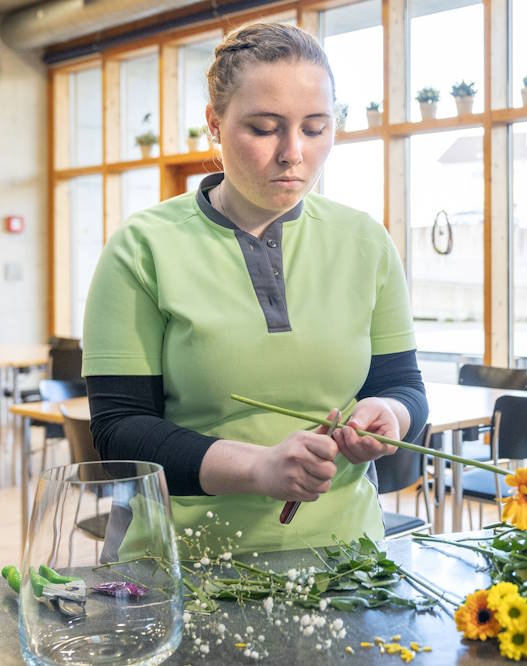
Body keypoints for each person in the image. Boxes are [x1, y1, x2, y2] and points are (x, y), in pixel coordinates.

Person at [82, 22, 427, 556]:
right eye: (265, 128)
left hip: (347, 560)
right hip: (183, 564)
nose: (293, 152)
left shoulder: (365, 241)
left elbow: (404, 385)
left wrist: (389, 414)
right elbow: (118, 432)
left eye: (315, 128)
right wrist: (257, 468)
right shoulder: (142, 247)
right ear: (215, 125)